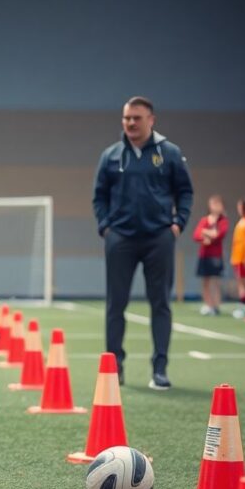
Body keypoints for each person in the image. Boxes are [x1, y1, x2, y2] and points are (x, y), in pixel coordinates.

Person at [92, 96, 193, 390]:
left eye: (136, 118)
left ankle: (160, 369)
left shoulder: (170, 153)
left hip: (159, 238)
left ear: (151, 120)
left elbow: (185, 192)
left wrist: (178, 224)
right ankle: (115, 367)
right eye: (126, 118)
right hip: (119, 238)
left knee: (160, 303)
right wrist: (105, 227)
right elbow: (99, 196)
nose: (131, 123)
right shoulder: (111, 155)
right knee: (116, 305)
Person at [192, 195, 229, 316]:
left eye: (218, 204)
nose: (215, 207)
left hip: (216, 256)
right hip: (204, 255)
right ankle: (208, 305)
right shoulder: (204, 220)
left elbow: (219, 234)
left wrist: (206, 232)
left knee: (215, 282)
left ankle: (216, 306)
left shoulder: (223, 221)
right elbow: (196, 235)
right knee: (205, 282)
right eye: (213, 204)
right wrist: (206, 235)